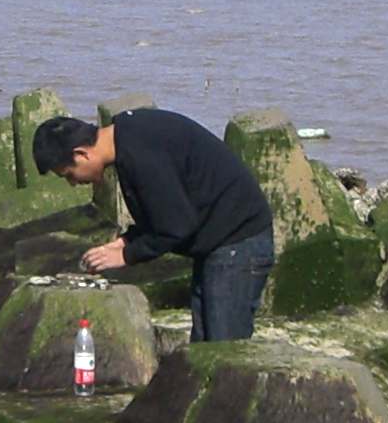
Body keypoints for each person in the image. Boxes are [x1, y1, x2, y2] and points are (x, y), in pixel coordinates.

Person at [33, 109, 276, 341]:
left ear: (82, 154)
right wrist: (126, 241)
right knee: (205, 347)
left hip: (239, 240)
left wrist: (127, 256)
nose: (73, 183)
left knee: (223, 349)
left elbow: (177, 227)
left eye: (68, 175)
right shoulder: (128, 136)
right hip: (218, 239)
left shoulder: (140, 154)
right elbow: (164, 211)